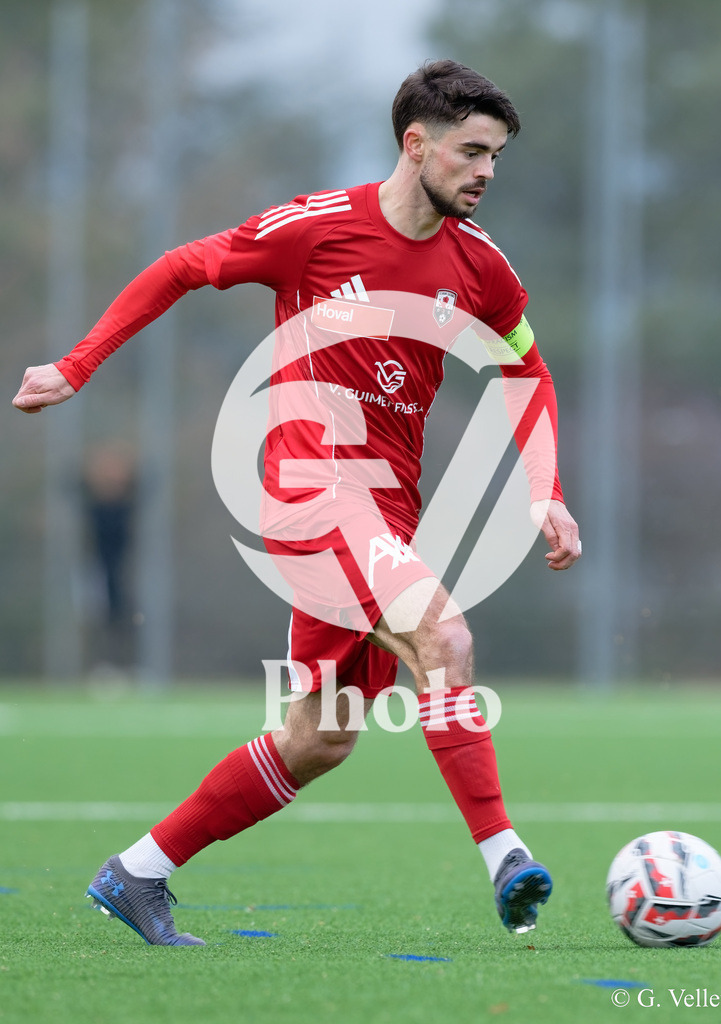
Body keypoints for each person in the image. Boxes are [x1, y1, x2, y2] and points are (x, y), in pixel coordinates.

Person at [13, 60, 581, 946]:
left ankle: (136, 873)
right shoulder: (318, 229)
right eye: (472, 151)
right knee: (445, 634)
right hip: (312, 494)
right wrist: (76, 365)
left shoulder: (482, 269)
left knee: (318, 740)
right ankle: (506, 856)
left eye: (496, 156)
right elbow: (182, 266)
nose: (486, 172)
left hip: (384, 517)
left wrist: (545, 490)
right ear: (415, 143)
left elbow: (527, 369)